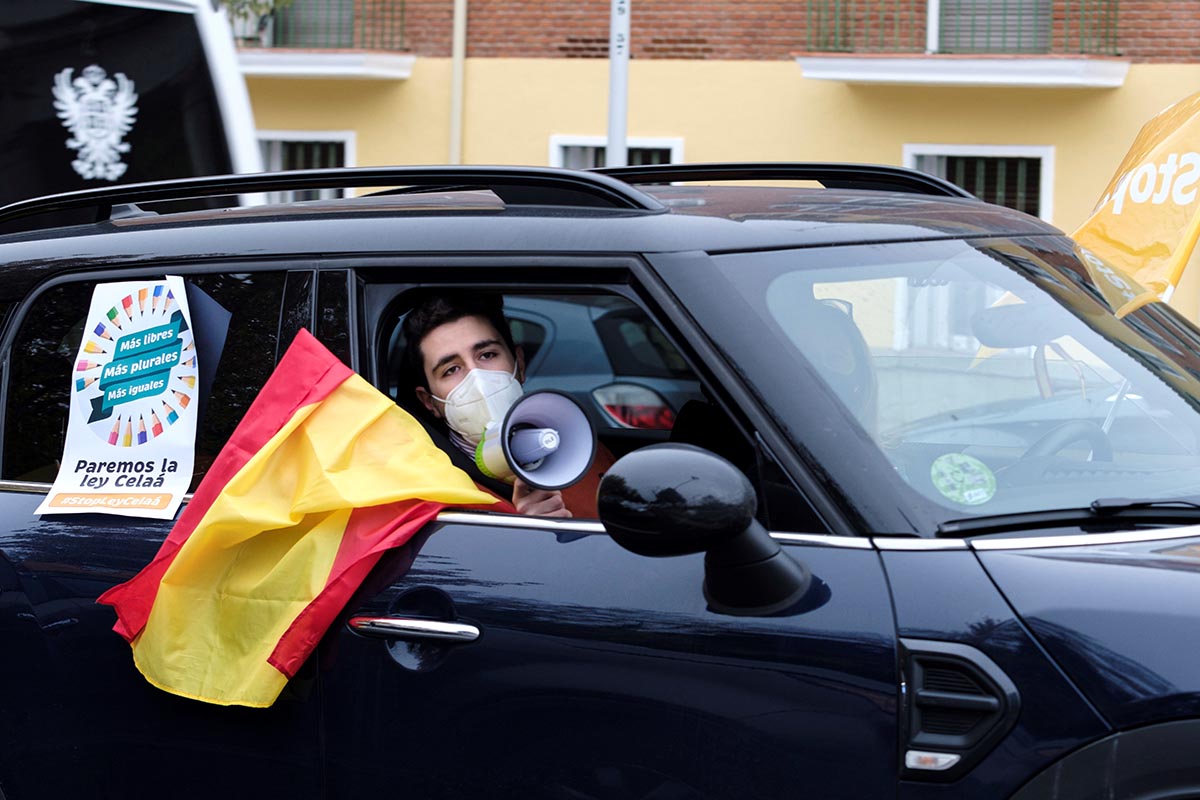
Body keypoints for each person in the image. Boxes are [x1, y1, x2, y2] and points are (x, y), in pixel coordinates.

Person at [400, 290, 613, 518]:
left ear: (519, 364)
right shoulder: (434, 498)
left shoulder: (584, 450)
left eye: (488, 355)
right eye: (451, 370)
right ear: (429, 402)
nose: (478, 378)